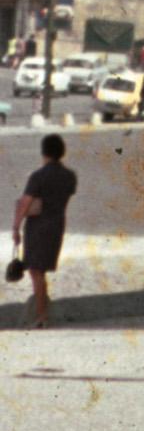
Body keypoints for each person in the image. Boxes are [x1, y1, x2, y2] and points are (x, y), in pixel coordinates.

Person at [12, 132, 77, 329]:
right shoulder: (69, 176)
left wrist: (16, 226)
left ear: (44, 152)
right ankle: (42, 310)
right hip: (57, 224)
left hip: (38, 226)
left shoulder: (38, 176)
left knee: (35, 271)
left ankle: (42, 316)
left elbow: (25, 202)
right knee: (40, 269)